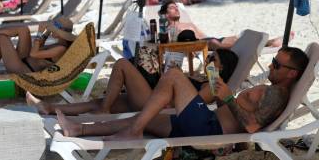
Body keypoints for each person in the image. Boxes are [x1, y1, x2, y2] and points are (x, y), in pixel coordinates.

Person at [56, 46, 308, 140]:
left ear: (292, 74)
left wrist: (228, 97)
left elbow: (252, 127)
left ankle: (133, 131)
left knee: (174, 75)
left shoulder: (278, 95)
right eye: (273, 60)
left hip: (210, 131)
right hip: (202, 123)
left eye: (277, 64)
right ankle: (79, 130)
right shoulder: (271, 89)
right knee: (145, 116)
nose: (272, 66)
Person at [26, 48, 238, 115]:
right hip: (154, 97)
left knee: (122, 65)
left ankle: (103, 113)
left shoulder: (214, 86)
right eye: (209, 56)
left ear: (222, 67)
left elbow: (192, 108)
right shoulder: (204, 78)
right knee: (101, 101)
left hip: (157, 105)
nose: (208, 58)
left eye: (213, 59)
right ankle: (49, 108)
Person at [160, 0, 294, 50]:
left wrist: (216, 39)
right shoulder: (168, 30)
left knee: (237, 37)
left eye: (176, 7)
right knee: (215, 42)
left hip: (208, 41)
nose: (176, 9)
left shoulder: (189, 23)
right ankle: (265, 44)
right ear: (166, 14)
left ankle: (270, 42)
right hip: (198, 45)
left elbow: (204, 36)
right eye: (172, 8)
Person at [0, 17, 76, 74]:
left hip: (23, 69)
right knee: (23, 29)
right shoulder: (60, 44)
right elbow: (39, 47)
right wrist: (47, 32)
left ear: (61, 33)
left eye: (55, 27)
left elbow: (34, 53)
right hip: (25, 61)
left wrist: (40, 32)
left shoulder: (60, 49)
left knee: (2, 37)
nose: (52, 28)